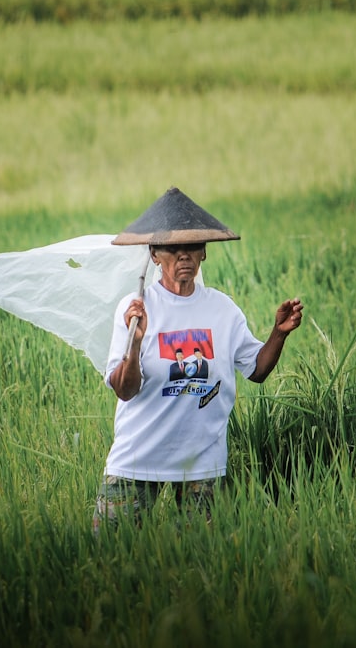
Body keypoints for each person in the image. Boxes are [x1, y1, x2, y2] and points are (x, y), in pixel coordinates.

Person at [92, 188, 304, 534]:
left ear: (204, 253)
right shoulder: (137, 309)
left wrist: (278, 333)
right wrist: (137, 341)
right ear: (155, 255)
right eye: (173, 248)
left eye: (192, 247)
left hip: (202, 464)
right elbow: (124, 390)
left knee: (198, 563)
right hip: (138, 459)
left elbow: (257, 370)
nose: (183, 256)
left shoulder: (222, 310)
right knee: (109, 556)